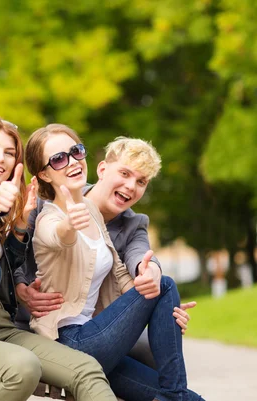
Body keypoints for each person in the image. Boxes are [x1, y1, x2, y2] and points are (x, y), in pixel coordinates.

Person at [0, 117, 117, 401]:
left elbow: (4, 270)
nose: (0, 158)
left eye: (10, 152)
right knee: (22, 368)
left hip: (2, 329)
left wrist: (21, 224)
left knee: (86, 369)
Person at [24, 123, 204, 401]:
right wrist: (68, 228)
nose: (131, 186)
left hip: (99, 337)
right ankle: (174, 395)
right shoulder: (46, 213)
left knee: (193, 399)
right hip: (68, 341)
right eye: (59, 158)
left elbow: (136, 258)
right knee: (165, 286)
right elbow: (54, 237)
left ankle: (175, 396)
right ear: (103, 169)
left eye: (76, 152)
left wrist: (161, 299)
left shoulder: (101, 214)